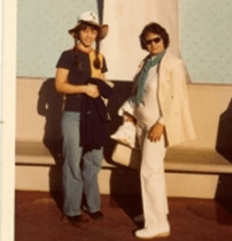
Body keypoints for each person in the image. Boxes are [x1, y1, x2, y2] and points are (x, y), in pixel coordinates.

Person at [124, 23, 196, 239]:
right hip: (142, 124)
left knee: (150, 171)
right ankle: (154, 213)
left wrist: (161, 123)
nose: (153, 44)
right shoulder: (146, 64)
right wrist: (129, 111)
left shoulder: (173, 64)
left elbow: (178, 98)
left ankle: (158, 224)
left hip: (157, 127)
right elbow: (138, 93)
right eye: (148, 41)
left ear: (164, 40)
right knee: (151, 171)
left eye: (157, 39)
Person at [55, 11, 112, 226]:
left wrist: (103, 90)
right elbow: (59, 85)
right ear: (78, 32)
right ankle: (71, 209)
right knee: (72, 161)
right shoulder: (67, 56)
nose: (89, 35)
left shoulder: (99, 58)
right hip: (72, 114)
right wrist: (84, 89)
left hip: (94, 115)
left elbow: (101, 85)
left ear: (97, 35)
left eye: (93, 31)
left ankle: (93, 205)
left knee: (94, 159)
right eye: (85, 30)